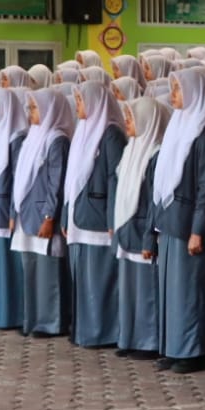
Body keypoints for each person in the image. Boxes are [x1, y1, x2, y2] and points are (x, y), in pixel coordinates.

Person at [151, 70, 205, 374]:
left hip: (188, 226)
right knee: (171, 290)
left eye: (178, 89)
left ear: (194, 92)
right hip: (170, 221)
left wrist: (198, 230)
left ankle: (192, 351)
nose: (173, 96)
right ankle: (173, 347)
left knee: (190, 291)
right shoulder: (178, 127)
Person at [64, 82, 127, 349]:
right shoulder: (83, 131)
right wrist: (66, 214)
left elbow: (115, 179)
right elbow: (71, 181)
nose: (78, 105)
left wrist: (113, 220)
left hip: (99, 220)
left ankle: (104, 332)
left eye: (81, 100)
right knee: (83, 279)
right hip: (79, 217)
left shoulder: (110, 133)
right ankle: (85, 330)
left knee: (100, 279)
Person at [12, 89, 73, 337]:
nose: (30, 112)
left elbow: (56, 183)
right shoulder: (34, 136)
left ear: (49, 109)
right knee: (31, 270)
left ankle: (52, 323)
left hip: (43, 216)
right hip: (27, 213)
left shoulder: (57, 140)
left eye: (35, 107)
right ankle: (33, 320)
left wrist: (49, 217)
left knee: (48, 272)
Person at [112, 97, 167, 359]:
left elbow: (155, 202)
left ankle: (149, 342)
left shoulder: (155, 154)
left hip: (142, 229)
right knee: (129, 289)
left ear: (147, 120)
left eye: (132, 118)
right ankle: (130, 338)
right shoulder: (130, 150)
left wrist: (149, 237)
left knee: (146, 290)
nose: (127, 122)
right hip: (127, 229)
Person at [0, 89, 28, 330]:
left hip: (5, 210)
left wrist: (12, 212)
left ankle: (11, 315)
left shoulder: (16, 138)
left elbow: (18, 178)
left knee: (8, 267)